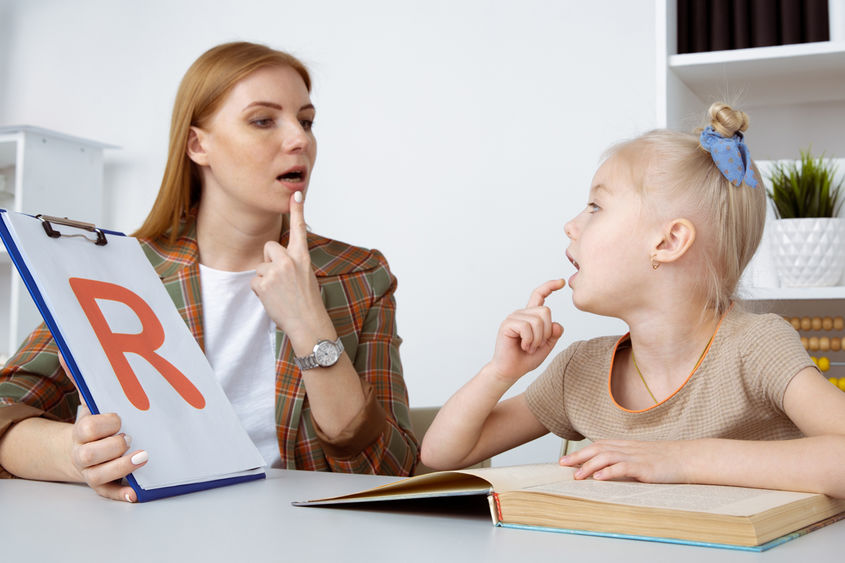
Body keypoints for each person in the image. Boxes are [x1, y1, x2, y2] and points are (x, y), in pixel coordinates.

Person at [0, 41, 419, 501]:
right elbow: (7, 406)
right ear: (199, 145)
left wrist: (310, 326)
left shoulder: (359, 274)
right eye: (263, 121)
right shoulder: (118, 271)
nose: (299, 139)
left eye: (305, 120)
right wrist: (75, 455)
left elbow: (391, 468)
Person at [420, 103, 845, 498]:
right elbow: (443, 455)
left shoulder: (755, 347)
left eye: (595, 206)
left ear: (668, 241)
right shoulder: (578, 371)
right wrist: (499, 372)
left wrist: (681, 459)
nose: (570, 225)